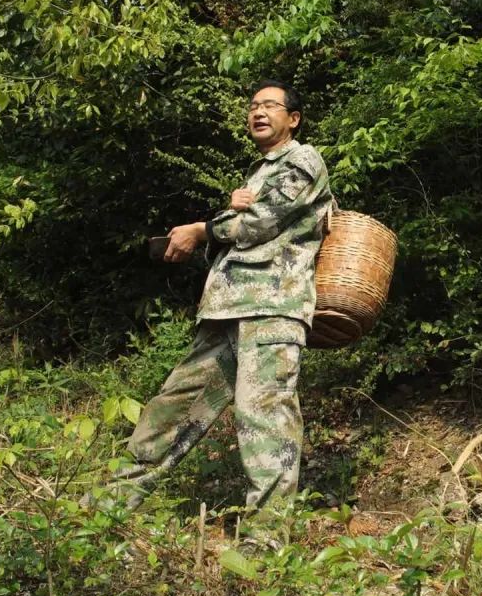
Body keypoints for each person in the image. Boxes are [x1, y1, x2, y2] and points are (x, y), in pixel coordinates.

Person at [88, 79, 333, 523]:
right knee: (175, 407)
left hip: (270, 310)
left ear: (293, 119)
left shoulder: (303, 158)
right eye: (253, 105)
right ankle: (104, 509)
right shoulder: (259, 172)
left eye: (270, 106)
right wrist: (229, 211)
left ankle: (266, 542)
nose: (258, 112)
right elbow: (245, 219)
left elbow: (259, 222)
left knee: (264, 422)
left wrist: (204, 227)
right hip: (228, 311)